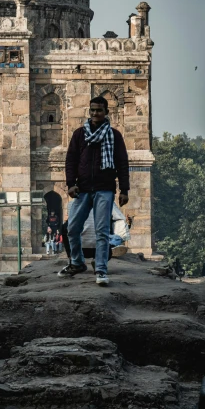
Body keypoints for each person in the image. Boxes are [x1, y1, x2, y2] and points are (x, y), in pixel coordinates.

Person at [59, 96, 129, 286]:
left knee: (102, 231)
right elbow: (71, 160)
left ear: (106, 112)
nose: (95, 113)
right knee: (72, 229)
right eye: (92, 110)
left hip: (104, 189)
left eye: (99, 110)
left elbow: (122, 163)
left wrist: (124, 189)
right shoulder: (80, 134)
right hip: (83, 188)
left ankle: (100, 270)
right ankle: (77, 262)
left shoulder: (114, 135)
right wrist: (70, 183)